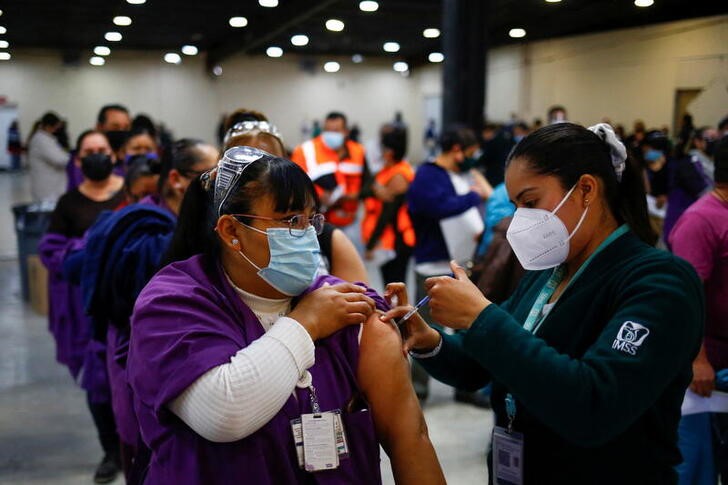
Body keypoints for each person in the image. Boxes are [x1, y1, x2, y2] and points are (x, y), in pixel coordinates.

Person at [383, 122, 704, 483]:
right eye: (516, 204)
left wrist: (482, 316)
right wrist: (429, 341)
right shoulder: (548, 273)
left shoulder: (658, 282)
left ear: (585, 189)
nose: (521, 218)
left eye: (531, 202)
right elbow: (479, 366)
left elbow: (594, 405)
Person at [126, 146, 444, 484]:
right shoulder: (173, 302)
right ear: (232, 231)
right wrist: (305, 324)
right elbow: (223, 413)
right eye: (291, 220)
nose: (308, 234)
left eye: (311, 219)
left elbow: (410, 439)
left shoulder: (353, 310)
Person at [70, 138, 218, 478]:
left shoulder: (189, 226)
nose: (222, 186)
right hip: (145, 365)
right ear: (178, 180)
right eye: (212, 175)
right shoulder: (145, 234)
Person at [39, 130, 126, 483]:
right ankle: (110, 450)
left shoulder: (129, 192)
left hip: (129, 300)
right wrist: (91, 248)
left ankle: (138, 447)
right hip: (88, 308)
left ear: (114, 155)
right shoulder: (68, 203)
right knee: (98, 385)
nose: (96, 156)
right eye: (89, 151)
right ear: (78, 160)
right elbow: (51, 250)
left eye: (102, 150)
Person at [224, 117, 368, 283]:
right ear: (229, 230)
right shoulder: (207, 254)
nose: (260, 174)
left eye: (270, 162)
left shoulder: (325, 238)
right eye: (247, 165)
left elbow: (363, 298)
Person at [407, 125, 492, 404]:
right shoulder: (427, 175)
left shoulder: (454, 174)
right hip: (433, 262)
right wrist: (472, 196)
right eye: (468, 152)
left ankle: (465, 387)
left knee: (467, 325)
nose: (471, 158)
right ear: (456, 150)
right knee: (424, 328)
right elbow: (439, 207)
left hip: (459, 261)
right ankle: (417, 390)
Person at [670, 135, 728, 484]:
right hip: (709, 371)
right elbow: (683, 297)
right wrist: (697, 359)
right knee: (698, 467)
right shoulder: (702, 220)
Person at [291, 111, 366, 229]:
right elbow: (295, 183)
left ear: (346, 132)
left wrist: (353, 196)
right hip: (316, 222)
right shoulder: (305, 151)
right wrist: (319, 195)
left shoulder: (359, 151)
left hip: (349, 221)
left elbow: (367, 182)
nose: (331, 135)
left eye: (336, 131)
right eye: (327, 130)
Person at [361, 124, 415, 285]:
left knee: (395, 286)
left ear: (389, 152)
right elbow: (365, 189)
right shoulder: (386, 170)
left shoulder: (399, 176)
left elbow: (387, 215)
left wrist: (371, 244)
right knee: (388, 285)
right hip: (385, 240)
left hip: (396, 242)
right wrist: (376, 189)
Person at [67, 104, 132, 191]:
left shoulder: (130, 157)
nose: (121, 132)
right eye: (115, 127)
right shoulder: (85, 159)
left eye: (126, 128)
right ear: (99, 127)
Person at [27, 111, 69, 201]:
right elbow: (59, 159)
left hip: (51, 186)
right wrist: (72, 158)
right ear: (48, 126)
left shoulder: (46, 138)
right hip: (47, 188)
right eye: (56, 127)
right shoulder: (41, 140)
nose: (57, 130)